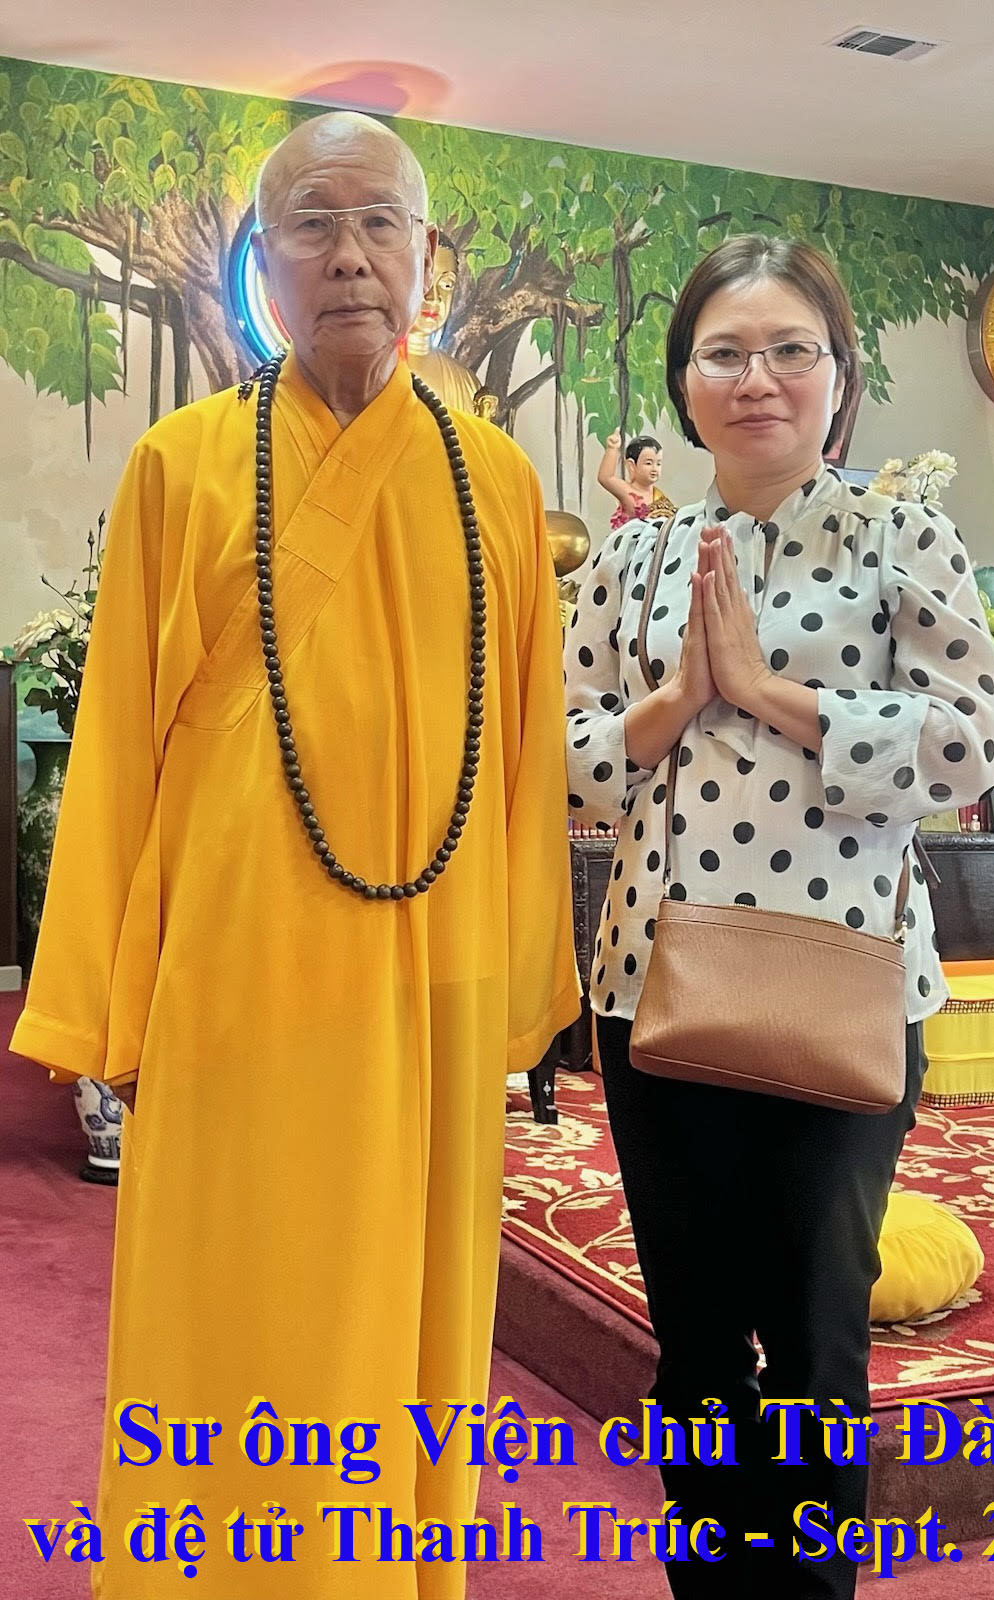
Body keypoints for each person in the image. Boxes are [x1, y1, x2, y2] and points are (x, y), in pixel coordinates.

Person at [10, 110, 579, 1600]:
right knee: (234, 1301)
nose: (348, 256)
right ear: (260, 266)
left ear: (426, 257)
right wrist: (106, 1006)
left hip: (427, 977)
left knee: (401, 1318)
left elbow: (526, 757)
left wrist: (515, 982)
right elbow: (116, 752)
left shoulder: (496, 482)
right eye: (311, 225)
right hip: (236, 978)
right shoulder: (182, 467)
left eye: (379, 222)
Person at [564, 234, 994, 1598]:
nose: (758, 379)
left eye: (789, 350)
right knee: (696, 1347)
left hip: (843, 988)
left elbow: (966, 749)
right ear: (685, 385)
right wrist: (671, 706)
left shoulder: (901, 536)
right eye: (726, 354)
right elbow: (560, 763)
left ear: (839, 376)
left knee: (818, 1346)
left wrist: (772, 695)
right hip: (655, 989)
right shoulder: (631, 564)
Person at [405, 231, 499, 419]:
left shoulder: (466, 384)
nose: (433, 297)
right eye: (422, 280)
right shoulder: (364, 376)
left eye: (446, 285)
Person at [598, 429, 678, 529]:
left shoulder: (660, 497)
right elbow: (606, 478)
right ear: (631, 465)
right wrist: (612, 448)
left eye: (658, 464)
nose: (654, 469)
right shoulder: (628, 491)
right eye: (648, 463)